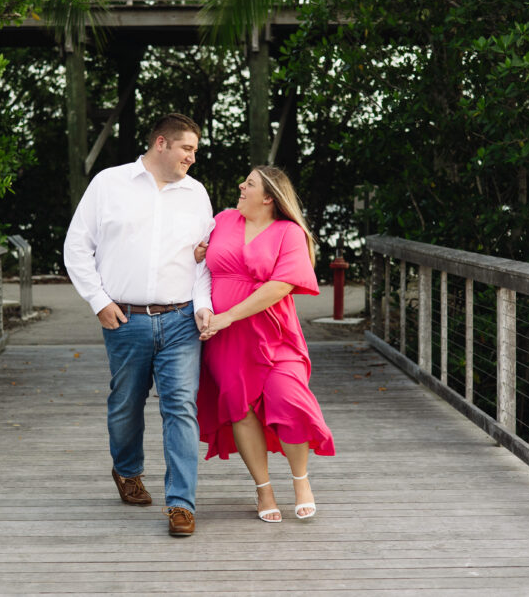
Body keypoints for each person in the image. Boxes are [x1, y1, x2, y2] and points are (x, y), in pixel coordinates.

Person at [63, 113, 214, 537]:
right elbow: (77, 248)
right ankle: (127, 470)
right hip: (124, 318)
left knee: (181, 407)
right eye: (187, 149)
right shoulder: (109, 184)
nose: (192, 158)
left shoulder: (196, 194)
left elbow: (205, 260)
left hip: (182, 319)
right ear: (161, 143)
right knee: (126, 404)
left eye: (195, 151)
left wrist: (202, 305)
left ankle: (181, 504)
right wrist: (99, 301)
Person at [196, 165, 335, 523]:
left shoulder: (288, 233)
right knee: (240, 411)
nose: (241, 186)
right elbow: (200, 263)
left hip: (273, 334)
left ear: (269, 197)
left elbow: (281, 286)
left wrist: (228, 316)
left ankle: (301, 481)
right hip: (225, 341)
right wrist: (196, 254)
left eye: (250, 183)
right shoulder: (223, 220)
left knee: (288, 399)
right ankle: (264, 489)